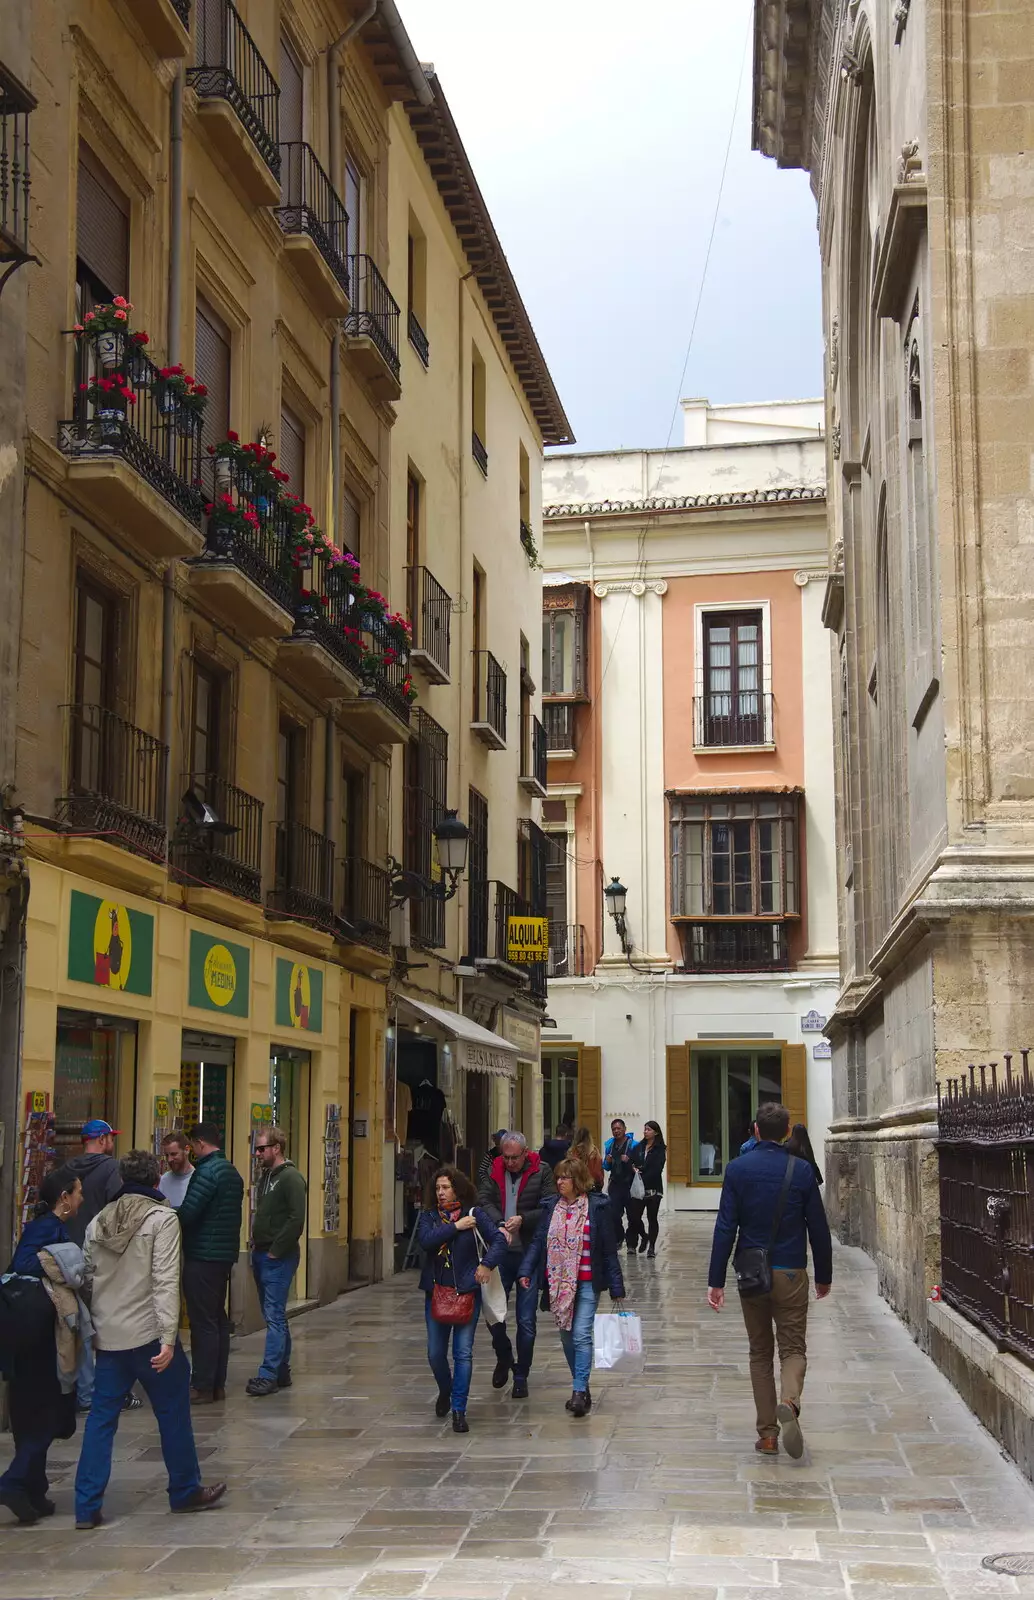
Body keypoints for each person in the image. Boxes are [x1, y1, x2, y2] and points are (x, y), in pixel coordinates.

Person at [74, 1150, 227, 1528]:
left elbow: (87, 1278)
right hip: (149, 1335)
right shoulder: (162, 1219)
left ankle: (86, 1505)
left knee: (100, 1420)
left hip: (110, 1337)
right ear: (156, 1179)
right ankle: (185, 1489)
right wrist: (168, 1338)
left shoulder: (98, 1221)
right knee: (173, 1412)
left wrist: (98, 1323)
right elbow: (164, 1281)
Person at [707, 1102, 833, 1458]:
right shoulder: (803, 1170)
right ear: (787, 1129)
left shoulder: (737, 1169)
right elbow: (819, 1228)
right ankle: (790, 1402)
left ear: (756, 1130)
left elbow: (725, 1227)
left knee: (759, 1352)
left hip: (752, 1273)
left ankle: (767, 1435)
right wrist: (823, 1275)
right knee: (792, 1348)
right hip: (791, 1270)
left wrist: (715, 1279)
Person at [0, 1167, 82, 1524]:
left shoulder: (46, 1226)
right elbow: (25, 1264)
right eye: (77, 1192)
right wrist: (61, 1265)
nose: (81, 1198)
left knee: (30, 1411)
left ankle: (34, 1489)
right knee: (49, 1412)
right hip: (35, 1331)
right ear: (64, 1197)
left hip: (25, 1330)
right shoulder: (48, 1227)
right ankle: (14, 1481)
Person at [519, 1157, 625, 1417]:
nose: (560, 1182)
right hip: (559, 1284)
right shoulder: (551, 1207)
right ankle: (583, 1383)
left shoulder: (597, 1208)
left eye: (565, 1177)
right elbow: (537, 1242)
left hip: (588, 1282)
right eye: (558, 1177)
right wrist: (525, 1270)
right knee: (566, 1336)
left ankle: (578, 1391)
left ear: (578, 1181)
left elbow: (609, 1251)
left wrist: (616, 1286)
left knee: (580, 1334)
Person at [417, 1166, 507, 1433]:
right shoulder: (430, 1217)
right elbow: (426, 1241)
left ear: (457, 1188)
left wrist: (487, 1265)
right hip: (436, 1292)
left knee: (463, 1353)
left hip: (467, 1291)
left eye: (446, 1188)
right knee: (435, 1354)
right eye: (437, 1188)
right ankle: (446, 1389)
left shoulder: (475, 1214)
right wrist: (456, 1227)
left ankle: (459, 1409)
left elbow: (499, 1242)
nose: (441, 1193)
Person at [476, 1131, 556, 1398]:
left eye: (514, 1157)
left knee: (526, 1320)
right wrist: (500, 1223)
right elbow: (483, 1201)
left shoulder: (541, 1171)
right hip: (498, 1254)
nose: (509, 1162)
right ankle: (504, 1354)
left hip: (528, 1254)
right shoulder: (493, 1168)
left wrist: (523, 1219)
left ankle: (521, 1373)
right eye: (505, 1156)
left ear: (525, 1153)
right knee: (492, 1312)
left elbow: (549, 1207)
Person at [176, 1122, 244, 1405]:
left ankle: (202, 1385)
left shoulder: (206, 1172)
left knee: (203, 1321)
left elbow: (190, 1212)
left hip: (203, 1255)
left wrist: (168, 1212)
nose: (191, 1151)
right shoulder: (231, 1171)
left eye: (192, 1146)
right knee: (218, 1320)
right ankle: (217, 1384)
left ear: (201, 1144)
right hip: (223, 1255)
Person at [65, 1119, 126, 1414]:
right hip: (100, 1255)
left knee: (76, 1324)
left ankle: (77, 1387)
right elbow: (119, 1208)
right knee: (101, 1324)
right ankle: (97, 1390)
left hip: (67, 1255)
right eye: (111, 1137)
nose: (113, 1142)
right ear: (102, 1140)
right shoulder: (111, 1168)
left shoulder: (66, 1169)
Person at [246, 1125, 307, 1397]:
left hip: (277, 1256)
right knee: (275, 1315)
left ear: (276, 1148)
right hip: (262, 1252)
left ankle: (268, 1373)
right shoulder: (266, 1177)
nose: (257, 1154)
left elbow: (296, 1218)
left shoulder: (291, 1178)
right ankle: (281, 1370)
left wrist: (276, 1250)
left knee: (274, 1316)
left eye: (262, 1148)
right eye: (256, 1148)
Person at [630, 1120, 667, 1257]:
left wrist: (642, 1172)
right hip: (638, 1188)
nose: (646, 1132)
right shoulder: (639, 1147)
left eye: (649, 1130)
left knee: (652, 1218)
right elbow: (631, 1161)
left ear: (655, 1132)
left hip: (653, 1189)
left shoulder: (660, 1149)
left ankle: (651, 1246)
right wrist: (633, 1169)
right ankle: (643, 1236)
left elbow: (657, 1168)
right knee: (634, 1217)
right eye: (645, 1129)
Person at [603, 1119, 638, 1246]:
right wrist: (607, 1161)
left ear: (624, 1129)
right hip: (615, 1184)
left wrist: (628, 1160)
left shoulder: (633, 1145)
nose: (616, 1131)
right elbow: (606, 1167)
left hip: (629, 1184)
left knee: (633, 1216)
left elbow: (638, 1165)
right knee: (613, 1214)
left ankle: (632, 1244)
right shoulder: (609, 1146)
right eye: (614, 1129)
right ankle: (619, 1237)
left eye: (619, 1128)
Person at [158, 1133, 194, 1208]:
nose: (169, 1160)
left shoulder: (198, 1179)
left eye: (173, 1154)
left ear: (187, 1150)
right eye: (167, 1155)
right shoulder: (163, 1181)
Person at [786, 1123, 824, 1187]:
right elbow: (812, 1163)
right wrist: (820, 1179)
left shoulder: (787, 1145)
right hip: (803, 1178)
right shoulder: (805, 1147)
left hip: (790, 1178)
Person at [570, 1127, 605, 1191]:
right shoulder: (594, 1151)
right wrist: (600, 1183)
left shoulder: (572, 1152)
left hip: (576, 1186)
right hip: (592, 1186)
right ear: (589, 1138)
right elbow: (597, 1172)